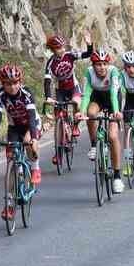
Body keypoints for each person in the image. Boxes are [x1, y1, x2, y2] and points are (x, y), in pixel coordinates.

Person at [77, 47, 125, 194]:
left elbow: (113, 94)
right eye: (98, 64)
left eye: (104, 63)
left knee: (112, 136)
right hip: (97, 97)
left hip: (113, 101)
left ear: (108, 64)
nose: (102, 67)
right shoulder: (89, 73)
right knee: (91, 113)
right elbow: (86, 94)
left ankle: (117, 176)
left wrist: (116, 112)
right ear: (93, 65)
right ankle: (93, 145)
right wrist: (81, 111)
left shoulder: (114, 72)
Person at [0, 63, 43, 191]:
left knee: (27, 142)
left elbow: (31, 117)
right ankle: (10, 201)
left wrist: (34, 138)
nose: (12, 87)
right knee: (11, 158)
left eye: (15, 83)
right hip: (14, 126)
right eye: (8, 84)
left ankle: (35, 168)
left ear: (20, 82)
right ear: (3, 84)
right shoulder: (0, 96)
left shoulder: (26, 93)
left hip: (31, 124)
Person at [42, 34, 82, 167]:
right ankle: (58, 154)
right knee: (58, 116)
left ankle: (75, 125)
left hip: (73, 87)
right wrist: (48, 97)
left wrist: (89, 45)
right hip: (60, 90)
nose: (62, 49)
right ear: (53, 50)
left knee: (76, 103)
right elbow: (47, 81)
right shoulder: (50, 62)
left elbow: (87, 54)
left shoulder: (70, 55)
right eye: (59, 48)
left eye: (63, 46)